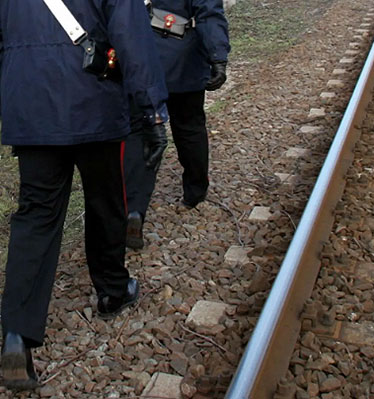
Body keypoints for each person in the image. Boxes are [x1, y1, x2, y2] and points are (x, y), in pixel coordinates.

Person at [0, 0, 169, 390]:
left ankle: (16, 336)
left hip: (31, 106)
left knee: (36, 214)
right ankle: (111, 290)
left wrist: (16, 92)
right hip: (94, 98)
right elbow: (132, 36)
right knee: (106, 199)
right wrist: (152, 111)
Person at [124, 0, 231, 250]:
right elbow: (208, 12)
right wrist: (218, 56)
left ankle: (135, 208)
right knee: (189, 126)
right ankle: (195, 192)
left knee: (141, 132)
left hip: (141, 57)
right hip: (184, 57)